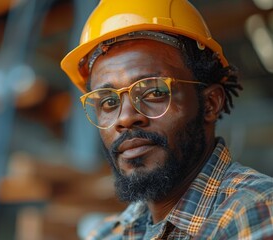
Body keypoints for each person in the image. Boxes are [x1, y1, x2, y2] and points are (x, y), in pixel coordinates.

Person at [61, 0, 273, 239]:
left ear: (211, 103)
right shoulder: (109, 234)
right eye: (109, 102)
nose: (126, 118)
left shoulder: (257, 213)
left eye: (154, 92)